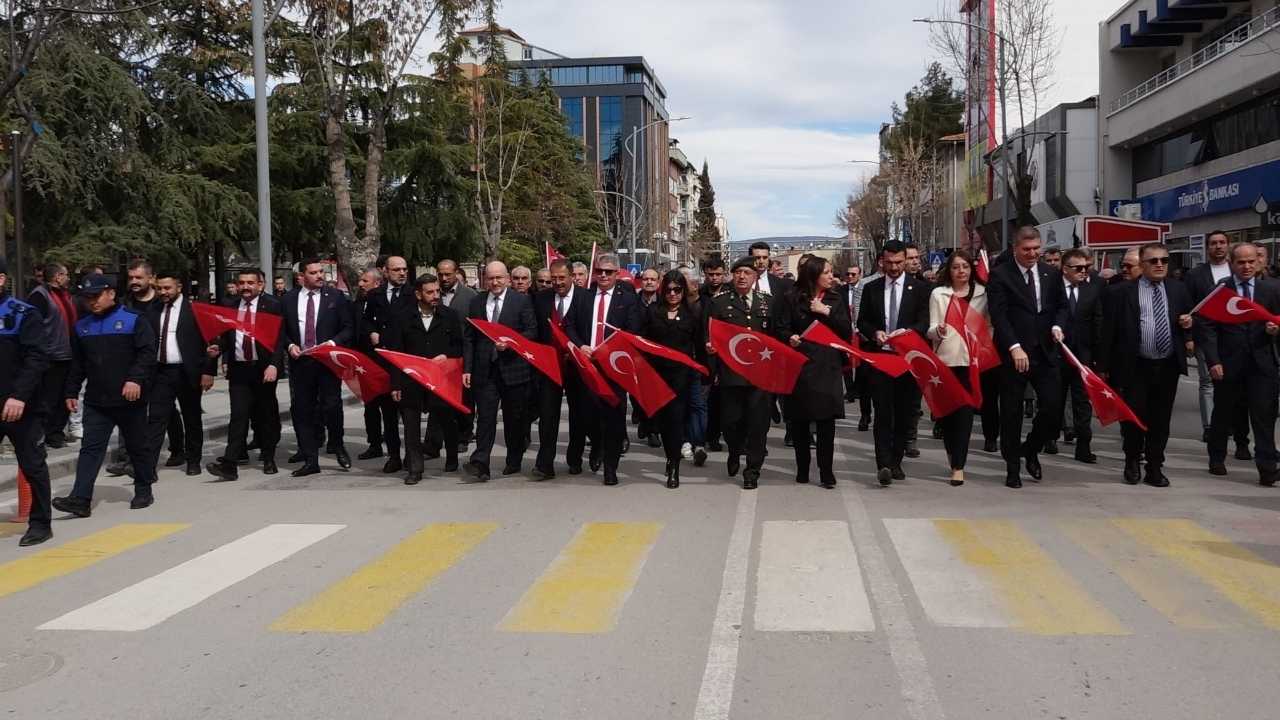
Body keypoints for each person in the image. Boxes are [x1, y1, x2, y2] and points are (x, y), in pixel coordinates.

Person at [53, 274, 158, 517]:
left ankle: (144, 488)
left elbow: (147, 355)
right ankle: (80, 499)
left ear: (111, 293)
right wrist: (70, 391)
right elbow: (78, 364)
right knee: (90, 449)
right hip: (96, 401)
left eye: (96, 296)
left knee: (137, 446)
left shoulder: (134, 320)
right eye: (87, 298)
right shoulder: (82, 326)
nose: (91, 302)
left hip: (130, 398)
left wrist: (135, 380)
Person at [1097, 243, 1194, 487]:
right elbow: (1107, 332)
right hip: (1134, 365)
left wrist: (1188, 326)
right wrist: (1103, 368)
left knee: (1160, 420)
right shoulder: (1120, 293)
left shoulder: (1178, 290)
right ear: (1142, 264)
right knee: (1134, 418)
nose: (1160, 265)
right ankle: (1132, 461)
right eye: (1153, 261)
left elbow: (1193, 323)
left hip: (1167, 364)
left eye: (1164, 260)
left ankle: (1154, 467)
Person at [986, 226, 1068, 489]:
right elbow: (999, 315)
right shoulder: (1000, 276)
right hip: (1014, 354)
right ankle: (1012, 466)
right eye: (1027, 250)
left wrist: (1058, 326)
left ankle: (1030, 448)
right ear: (1015, 249)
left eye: (1036, 249)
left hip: (1045, 352)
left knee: (1053, 408)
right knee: (1011, 412)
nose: (1033, 254)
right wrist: (1013, 346)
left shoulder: (1052, 274)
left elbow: (1062, 307)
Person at [1199, 242, 1280, 485]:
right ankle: (1216, 457)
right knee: (1223, 413)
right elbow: (1207, 326)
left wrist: (1275, 330)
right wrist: (1213, 360)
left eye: (1251, 262)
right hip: (1229, 363)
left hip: (1262, 364)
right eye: (1240, 262)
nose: (1246, 266)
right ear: (1232, 264)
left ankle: (1267, 468)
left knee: (1264, 416)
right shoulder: (1221, 290)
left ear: (1259, 262)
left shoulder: (1272, 290)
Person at [857, 241, 931, 485]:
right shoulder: (872, 289)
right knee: (883, 413)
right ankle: (883, 464)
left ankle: (896, 460)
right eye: (889, 263)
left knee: (904, 414)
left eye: (899, 262)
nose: (894, 267)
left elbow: (924, 322)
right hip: (881, 358)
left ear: (906, 260)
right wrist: (875, 332)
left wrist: (907, 333)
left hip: (908, 360)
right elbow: (862, 321)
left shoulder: (920, 289)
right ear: (882, 261)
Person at [776, 256, 850, 489]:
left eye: (831, 272)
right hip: (800, 363)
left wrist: (826, 311)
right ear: (813, 275)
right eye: (826, 272)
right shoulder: (791, 298)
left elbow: (847, 332)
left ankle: (826, 471)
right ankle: (802, 468)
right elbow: (781, 327)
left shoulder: (836, 299)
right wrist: (790, 337)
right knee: (800, 419)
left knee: (826, 422)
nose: (831, 276)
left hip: (827, 365)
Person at [461, 261, 537, 482]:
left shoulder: (521, 301)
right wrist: (468, 368)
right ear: (485, 279)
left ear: (507, 278)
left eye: (499, 278)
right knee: (485, 417)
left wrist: (512, 343)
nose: (494, 282)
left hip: (514, 370)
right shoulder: (476, 302)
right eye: (490, 278)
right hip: (485, 371)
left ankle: (514, 459)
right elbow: (470, 337)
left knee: (515, 419)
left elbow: (531, 331)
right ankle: (480, 462)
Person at [205, 269, 284, 480]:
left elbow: (278, 339)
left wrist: (274, 365)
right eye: (241, 283)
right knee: (238, 416)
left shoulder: (273, 306)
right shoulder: (230, 306)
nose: (245, 287)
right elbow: (226, 336)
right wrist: (218, 348)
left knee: (266, 414)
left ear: (260, 285)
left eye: (250, 283)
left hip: (263, 368)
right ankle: (230, 463)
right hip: (239, 369)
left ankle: (268, 457)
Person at [385, 273, 464, 483]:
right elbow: (395, 353)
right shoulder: (403, 318)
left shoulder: (450, 316)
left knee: (447, 420)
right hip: (412, 380)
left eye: (437, 291)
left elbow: (459, 345)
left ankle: (453, 456)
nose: (435, 295)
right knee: (411, 425)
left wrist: (446, 356)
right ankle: (415, 468)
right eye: (430, 292)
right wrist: (396, 384)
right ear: (418, 294)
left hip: (441, 378)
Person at [707, 257, 774, 490]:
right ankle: (734, 450)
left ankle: (752, 470)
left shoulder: (767, 303)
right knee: (731, 422)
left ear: (755, 276)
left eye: (747, 272)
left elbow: (777, 338)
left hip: (760, 374)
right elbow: (710, 335)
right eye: (738, 273)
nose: (742, 276)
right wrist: (711, 357)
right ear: (732, 276)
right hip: (731, 373)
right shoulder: (720, 303)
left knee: (758, 424)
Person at [283, 258, 354, 477]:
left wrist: (332, 343)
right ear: (301, 277)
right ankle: (311, 459)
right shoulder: (288, 299)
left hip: (327, 362)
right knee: (303, 409)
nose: (320, 276)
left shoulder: (335, 297)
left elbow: (348, 328)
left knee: (331, 405)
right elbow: (280, 330)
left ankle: (337, 444)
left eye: (321, 271)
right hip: (301, 363)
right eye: (313, 273)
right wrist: (290, 345)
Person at [924, 251, 990, 486]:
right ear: (949, 271)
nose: (961, 271)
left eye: (965, 266)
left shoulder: (983, 294)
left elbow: (989, 325)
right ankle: (953, 454)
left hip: (972, 362)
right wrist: (937, 330)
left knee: (965, 415)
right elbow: (931, 327)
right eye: (956, 267)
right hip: (946, 360)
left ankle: (958, 466)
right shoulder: (939, 294)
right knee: (948, 416)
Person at [0, 261, 54, 546]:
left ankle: (41, 523)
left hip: (23, 405)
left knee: (32, 465)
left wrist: (19, 395)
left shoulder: (22, 314)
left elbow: (37, 358)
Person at [578, 253, 642, 485]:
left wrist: (611, 349)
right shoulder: (583, 297)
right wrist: (580, 345)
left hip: (614, 366)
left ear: (617, 273)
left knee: (614, 418)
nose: (603, 276)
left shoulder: (628, 298)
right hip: (587, 365)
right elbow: (573, 327)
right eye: (599, 272)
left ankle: (611, 466)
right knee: (590, 415)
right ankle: (597, 446)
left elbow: (632, 330)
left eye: (608, 272)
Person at [145, 272, 216, 477]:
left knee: (191, 417)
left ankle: (193, 460)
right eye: (159, 288)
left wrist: (208, 371)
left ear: (179, 288)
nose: (163, 292)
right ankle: (148, 466)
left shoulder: (194, 309)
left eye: (168, 288)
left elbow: (212, 342)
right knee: (157, 418)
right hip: (161, 372)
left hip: (188, 372)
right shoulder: (154, 309)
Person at [1184, 230, 1248, 451]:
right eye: (1213, 243)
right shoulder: (1195, 275)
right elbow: (1189, 307)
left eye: (1222, 243)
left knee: (1235, 385)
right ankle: (1209, 426)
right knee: (1207, 381)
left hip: (1235, 338)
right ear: (1207, 247)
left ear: (1228, 246)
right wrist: (1189, 337)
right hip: (1206, 335)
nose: (1218, 246)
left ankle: (1231, 425)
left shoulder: (1239, 270)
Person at [640, 270, 704, 488]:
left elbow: (700, 346)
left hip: (681, 376)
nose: (673, 294)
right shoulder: (652, 313)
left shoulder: (692, 314)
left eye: (677, 290)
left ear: (683, 291)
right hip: (656, 375)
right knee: (663, 422)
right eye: (669, 290)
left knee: (676, 420)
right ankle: (670, 455)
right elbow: (642, 342)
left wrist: (706, 371)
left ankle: (674, 466)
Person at [531, 259, 591, 479]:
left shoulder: (587, 298)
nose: (557, 283)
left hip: (577, 366)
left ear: (572, 276)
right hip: (550, 366)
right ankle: (545, 464)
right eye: (553, 278)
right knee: (548, 415)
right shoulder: (540, 299)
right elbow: (535, 332)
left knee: (578, 414)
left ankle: (574, 458)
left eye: (561, 278)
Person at [362, 256, 413, 472]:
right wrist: (372, 331)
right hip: (383, 359)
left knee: (409, 413)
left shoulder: (413, 293)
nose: (402, 273)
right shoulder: (375, 295)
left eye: (404, 269)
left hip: (406, 359)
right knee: (388, 413)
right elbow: (365, 319)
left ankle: (413, 455)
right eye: (396, 270)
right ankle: (394, 455)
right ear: (386, 272)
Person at [1057, 248, 1104, 464]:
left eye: (1086, 267)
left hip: (1082, 357)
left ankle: (1084, 446)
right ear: (1065, 269)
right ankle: (1049, 438)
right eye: (1078, 268)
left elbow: (1098, 324)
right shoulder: (1052, 290)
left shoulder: (1092, 291)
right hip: (1056, 355)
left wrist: (1096, 357)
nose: (1084, 271)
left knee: (1082, 403)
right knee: (1054, 400)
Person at [26, 263, 76, 449]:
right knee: (48, 397)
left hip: (66, 353)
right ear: (57, 277)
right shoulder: (40, 295)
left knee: (64, 396)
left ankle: (56, 432)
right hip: (50, 354)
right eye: (66, 274)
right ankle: (44, 433)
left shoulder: (64, 294)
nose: (68, 278)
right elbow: (35, 325)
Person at [436, 258, 476, 451]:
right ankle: (438, 439)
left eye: (448, 274)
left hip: (463, 354)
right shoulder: (433, 294)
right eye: (440, 274)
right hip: (439, 356)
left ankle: (464, 435)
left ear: (456, 272)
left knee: (464, 397)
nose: (444, 278)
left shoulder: (471, 297)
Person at [699, 257, 729, 454]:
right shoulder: (699, 295)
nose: (715, 278)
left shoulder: (730, 294)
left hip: (726, 352)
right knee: (705, 397)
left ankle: (718, 433)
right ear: (705, 275)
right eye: (711, 275)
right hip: (703, 351)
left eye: (718, 274)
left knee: (722, 398)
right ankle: (706, 435)